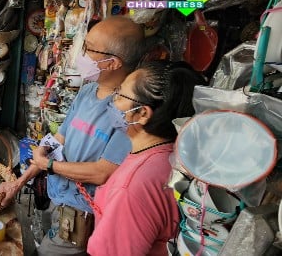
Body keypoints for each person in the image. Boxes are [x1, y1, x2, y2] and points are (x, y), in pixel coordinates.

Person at [0, 16, 150, 255]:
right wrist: (19, 182)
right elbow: (58, 141)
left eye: (89, 49)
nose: (82, 55)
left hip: (82, 214)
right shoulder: (88, 91)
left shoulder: (128, 110)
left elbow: (102, 172)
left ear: (112, 63)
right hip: (56, 198)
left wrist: (48, 164)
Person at [87, 61, 206, 255]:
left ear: (142, 113)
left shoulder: (133, 186)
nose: (113, 100)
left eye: (120, 95)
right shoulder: (171, 155)